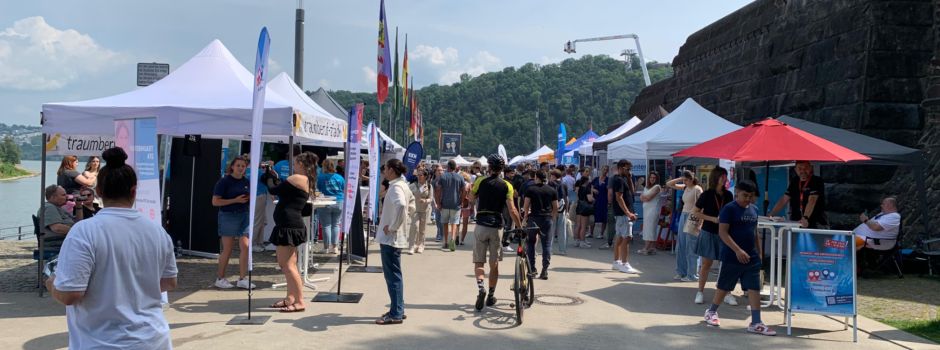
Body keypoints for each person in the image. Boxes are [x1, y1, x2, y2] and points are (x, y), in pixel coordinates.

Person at [46, 147, 178, 348]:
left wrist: (52, 284)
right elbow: (169, 282)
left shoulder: (84, 232)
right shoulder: (157, 231)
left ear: (98, 191)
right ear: (134, 191)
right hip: (153, 339)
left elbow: (70, 294)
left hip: (102, 342)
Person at [703, 180, 775, 336]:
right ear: (737, 193)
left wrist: (759, 252)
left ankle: (756, 322)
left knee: (754, 288)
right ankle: (711, 312)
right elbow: (723, 232)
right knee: (724, 286)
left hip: (751, 257)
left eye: (750, 196)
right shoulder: (728, 209)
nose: (747, 199)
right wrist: (737, 250)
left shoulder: (754, 210)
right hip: (731, 255)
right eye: (744, 195)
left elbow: (754, 232)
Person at [265, 152, 319, 313]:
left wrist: (268, 176)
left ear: (301, 164)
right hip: (290, 224)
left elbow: (273, 189)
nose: (293, 165)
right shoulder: (304, 180)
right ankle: (290, 297)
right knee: (290, 265)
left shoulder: (296, 178)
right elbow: (280, 189)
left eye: (295, 163)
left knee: (287, 265)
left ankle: (300, 301)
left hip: (289, 225)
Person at [469, 154, 523, 311]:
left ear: (489, 167)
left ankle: (481, 288)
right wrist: (519, 226)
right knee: (494, 264)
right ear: (502, 170)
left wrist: (472, 194)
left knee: (479, 262)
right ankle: (491, 295)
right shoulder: (507, 185)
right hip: (497, 226)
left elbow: (471, 198)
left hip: (481, 224)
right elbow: (512, 209)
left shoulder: (480, 181)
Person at [375, 159, 415, 325]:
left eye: (385, 168)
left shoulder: (396, 187)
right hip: (394, 237)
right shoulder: (401, 184)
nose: (384, 171)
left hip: (391, 238)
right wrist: (404, 220)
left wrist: (392, 226)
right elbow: (411, 204)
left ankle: (396, 312)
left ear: (391, 170)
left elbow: (402, 205)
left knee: (392, 277)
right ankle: (398, 308)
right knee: (395, 276)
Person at [692, 167, 737, 306]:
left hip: (725, 233)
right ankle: (700, 291)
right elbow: (695, 213)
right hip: (709, 231)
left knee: (726, 264)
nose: (724, 179)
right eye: (722, 176)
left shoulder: (729, 195)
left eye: (725, 177)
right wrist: (712, 219)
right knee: (706, 264)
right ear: (716, 177)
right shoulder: (706, 194)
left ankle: (727, 293)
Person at [211, 156, 254, 290]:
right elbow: (215, 202)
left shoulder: (247, 182)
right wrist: (235, 200)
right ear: (232, 167)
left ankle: (242, 278)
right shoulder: (224, 182)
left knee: (245, 247)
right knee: (227, 249)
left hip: (244, 216)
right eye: (238, 165)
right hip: (228, 216)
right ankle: (220, 278)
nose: (241, 168)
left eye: (243, 166)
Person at [666, 170, 703, 282]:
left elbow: (702, 206)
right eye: (684, 180)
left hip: (693, 216)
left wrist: (700, 222)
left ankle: (692, 274)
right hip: (683, 214)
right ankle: (681, 272)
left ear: (692, 179)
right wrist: (680, 178)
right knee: (681, 244)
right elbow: (669, 184)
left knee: (690, 245)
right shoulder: (685, 187)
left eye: (687, 179)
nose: (685, 181)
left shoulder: (697, 189)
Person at [521, 170, 558, 280]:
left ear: (536, 177)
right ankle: (545, 270)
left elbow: (526, 205)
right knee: (546, 245)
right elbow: (555, 207)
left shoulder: (530, 189)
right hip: (547, 219)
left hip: (533, 219)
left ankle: (532, 269)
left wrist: (525, 217)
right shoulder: (552, 190)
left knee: (531, 243)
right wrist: (552, 216)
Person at [769, 161, 828, 228]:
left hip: (816, 223)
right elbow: (784, 199)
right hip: (796, 222)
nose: (803, 171)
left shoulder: (817, 181)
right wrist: (771, 214)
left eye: (806, 168)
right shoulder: (795, 181)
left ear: (811, 168)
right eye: (800, 168)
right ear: (795, 170)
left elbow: (812, 200)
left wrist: (805, 217)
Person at [610, 160, 640, 274]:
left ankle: (617, 261)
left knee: (621, 237)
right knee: (626, 237)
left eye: (630, 169)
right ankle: (624, 263)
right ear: (621, 168)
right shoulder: (618, 180)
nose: (629, 171)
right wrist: (628, 213)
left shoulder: (623, 179)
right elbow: (619, 197)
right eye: (627, 169)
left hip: (623, 213)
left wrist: (629, 177)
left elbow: (632, 192)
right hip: (623, 213)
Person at [435, 160, 465, 251]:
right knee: (454, 223)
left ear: (448, 167)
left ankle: (445, 242)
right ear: (455, 167)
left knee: (444, 223)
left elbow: (438, 190)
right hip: (456, 204)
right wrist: (461, 201)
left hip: (444, 203)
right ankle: (452, 238)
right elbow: (464, 190)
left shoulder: (443, 176)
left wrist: (438, 203)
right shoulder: (460, 177)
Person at [317, 158, 345, 254]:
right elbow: (343, 189)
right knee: (336, 225)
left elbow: (318, 190)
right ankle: (335, 247)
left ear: (324, 166)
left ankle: (326, 248)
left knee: (326, 226)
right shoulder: (339, 177)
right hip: (339, 201)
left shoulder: (320, 177)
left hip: (326, 202)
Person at [408, 168, 433, 254]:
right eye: (418, 175)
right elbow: (407, 195)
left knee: (422, 229)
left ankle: (421, 245)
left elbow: (431, 198)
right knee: (414, 227)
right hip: (415, 209)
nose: (419, 177)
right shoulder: (413, 185)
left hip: (425, 210)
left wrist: (425, 201)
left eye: (421, 175)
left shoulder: (429, 186)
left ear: (425, 176)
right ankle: (412, 246)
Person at [638, 171, 663, 255]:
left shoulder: (657, 187)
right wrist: (644, 198)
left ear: (657, 179)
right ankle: (652, 248)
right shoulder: (646, 187)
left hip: (653, 210)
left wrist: (644, 198)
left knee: (650, 229)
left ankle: (646, 248)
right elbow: (641, 197)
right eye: (651, 177)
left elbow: (648, 198)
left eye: (654, 178)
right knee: (648, 228)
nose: (652, 179)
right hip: (647, 210)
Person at [573, 167, 596, 248]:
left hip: (579, 206)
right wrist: (593, 199)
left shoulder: (579, 188)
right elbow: (590, 199)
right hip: (585, 208)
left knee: (578, 225)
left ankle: (576, 241)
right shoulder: (587, 188)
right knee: (583, 226)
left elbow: (577, 194)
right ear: (586, 181)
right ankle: (582, 242)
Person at [549, 169, 569, 255]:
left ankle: (549, 249)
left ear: (553, 176)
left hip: (552, 209)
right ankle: (562, 249)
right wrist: (567, 209)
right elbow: (566, 198)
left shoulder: (550, 184)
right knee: (562, 230)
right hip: (562, 208)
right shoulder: (564, 184)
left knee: (551, 229)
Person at [590, 165, 609, 241]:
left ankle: (601, 233)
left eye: (606, 170)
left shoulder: (608, 180)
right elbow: (590, 187)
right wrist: (593, 190)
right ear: (601, 170)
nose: (605, 171)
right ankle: (591, 232)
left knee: (604, 217)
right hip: (596, 200)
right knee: (593, 216)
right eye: (604, 169)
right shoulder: (596, 179)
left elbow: (610, 190)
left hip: (604, 200)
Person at [458, 171, 474, 246]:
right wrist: (472, 206)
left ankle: (456, 236)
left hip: (458, 205)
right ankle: (462, 240)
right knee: (465, 224)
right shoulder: (469, 185)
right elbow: (471, 197)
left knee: (457, 223)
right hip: (466, 205)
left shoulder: (458, 184)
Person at [430, 165, 445, 242]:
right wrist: (435, 203)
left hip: (445, 203)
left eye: (441, 170)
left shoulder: (445, 180)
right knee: (438, 219)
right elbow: (432, 194)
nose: (440, 172)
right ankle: (439, 234)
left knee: (443, 220)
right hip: (436, 203)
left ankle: (442, 234)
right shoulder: (433, 182)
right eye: (438, 170)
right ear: (435, 172)